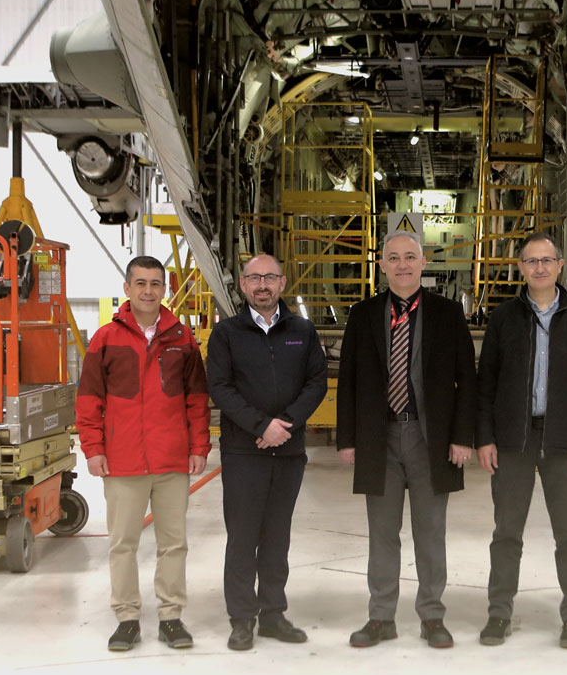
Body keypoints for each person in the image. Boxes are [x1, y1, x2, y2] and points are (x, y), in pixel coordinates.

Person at [335, 230, 477, 648]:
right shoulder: (363, 315)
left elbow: (466, 378)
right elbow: (348, 381)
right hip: (380, 436)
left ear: (423, 262)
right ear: (381, 264)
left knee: (431, 532)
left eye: (409, 256)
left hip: (429, 436)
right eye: (393, 257)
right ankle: (381, 617)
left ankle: (432, 616)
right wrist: (348, 438)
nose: (402, 264)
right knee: (382, 532)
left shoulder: (447, 314)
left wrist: (462, 436)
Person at [474, 231, 567, 648]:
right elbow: (486, 384)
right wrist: (485, 438)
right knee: (506, 532)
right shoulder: (504, 317)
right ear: (521, 268)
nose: (539, 268)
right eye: (531, 261)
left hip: (565, 440)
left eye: (546, 260)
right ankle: (499, 614)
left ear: (560, 264)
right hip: (513, 440)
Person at [76, 255, 210, 652]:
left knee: (174, 543)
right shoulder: (105, 339)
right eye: (141, 283)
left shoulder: (182, 337)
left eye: (155, 284)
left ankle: (171, 617)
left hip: (172, 460)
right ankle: (127, 617)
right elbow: (89, 400)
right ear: (127, 289)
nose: (148, 291)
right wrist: (94, 449)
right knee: (123, 544)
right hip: (123, 461)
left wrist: (199, 446)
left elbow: (197, 400)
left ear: (164, 289)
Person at [205, 252, 330, 651]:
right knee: (243, 537)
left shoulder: (302, 331)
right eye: (254, 278)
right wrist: (262, 426)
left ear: (282, 282)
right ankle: (242, 618)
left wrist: (286, 425)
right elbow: (220, 388)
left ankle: (273, 613)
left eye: (270, 277)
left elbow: (316, 382)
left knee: (277, 537)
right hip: (244, 452)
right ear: (243, 285)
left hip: (288, 452)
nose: (262, 285)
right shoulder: (226, 333)